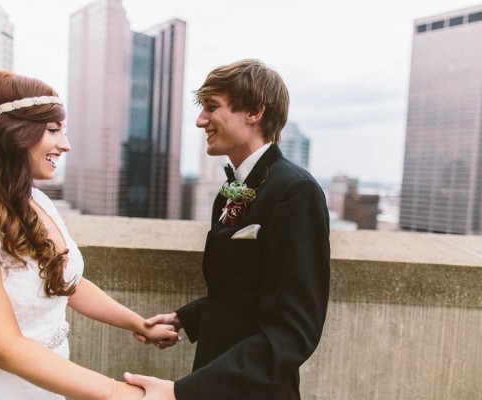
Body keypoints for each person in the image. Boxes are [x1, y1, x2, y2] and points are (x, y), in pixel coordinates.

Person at [0, 70, 179, 399]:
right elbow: (0, 346)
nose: (66, 145)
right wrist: (118, 393)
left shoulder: (36, 200)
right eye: (53, 130)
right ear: (13, 133)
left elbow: (68, 283)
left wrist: (137, 323)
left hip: (49, 384)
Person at [128, 59, 331, 399]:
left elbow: (293, 332)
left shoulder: (296, 191)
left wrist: (182, 392)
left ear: (254, 111)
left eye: (211, 107)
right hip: (215, 375)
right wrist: (183, 318)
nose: (200, 120)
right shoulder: (229, 191)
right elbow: (243, 293)